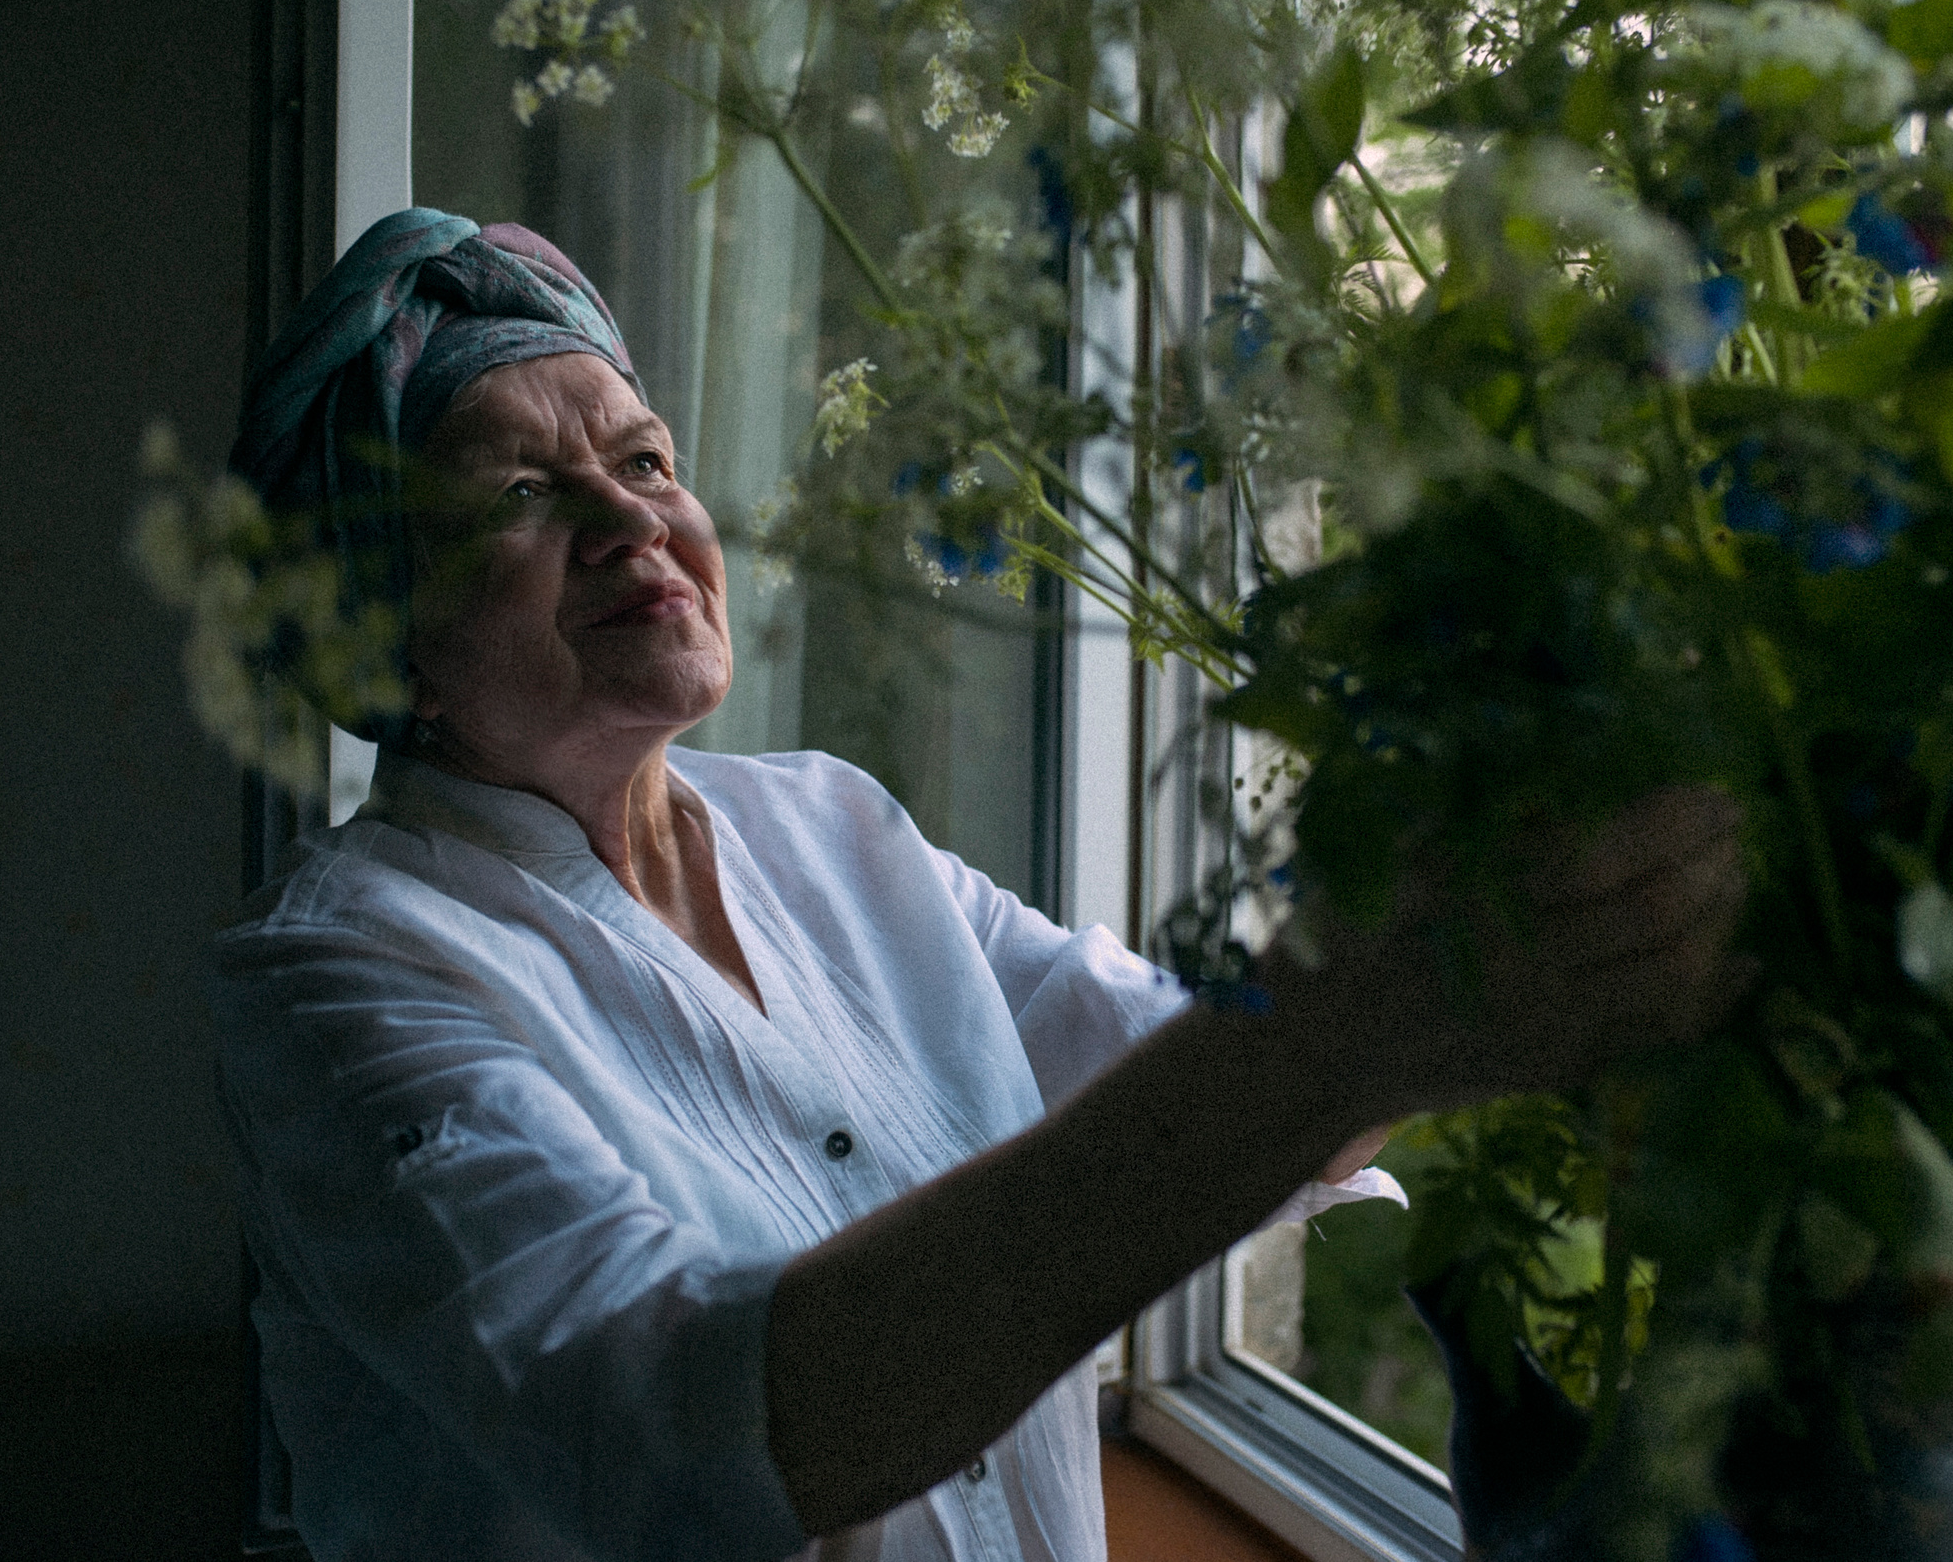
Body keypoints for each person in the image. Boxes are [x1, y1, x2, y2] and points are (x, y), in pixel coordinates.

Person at [212, 209, 1750, 1562]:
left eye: (644, 458)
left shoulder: (827, 828)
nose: (633, 522)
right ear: (380, 635)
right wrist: (1350, 1025)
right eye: (524, 499)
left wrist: (1486, 901)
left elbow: (1177, 1067)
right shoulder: (343, 977)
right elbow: (676, 1429)